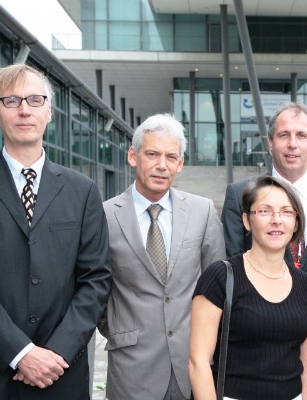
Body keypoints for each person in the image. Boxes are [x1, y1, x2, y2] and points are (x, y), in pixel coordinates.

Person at [0, 64, 111, 398]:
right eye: (11, 101)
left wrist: (56, 352)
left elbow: (96, 279)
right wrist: (20, 352)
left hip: (60, 372)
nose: (24, 110)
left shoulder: (82, 190)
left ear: (49, 112)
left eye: (34, 100)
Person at [221, 101, 307, 400]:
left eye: (301, 135)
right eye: (284, 135)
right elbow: (233, 265)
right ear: (270, 142)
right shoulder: (240, 195)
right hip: (255, 349)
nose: (292, 143)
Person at [99, 113, 226, 400]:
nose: (161, 165)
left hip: (192, 364)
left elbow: (217, 286)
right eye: (152, 154)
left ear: (180, 164)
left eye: (171, 157)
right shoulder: (104, 215)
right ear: (133, 156)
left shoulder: (202, 211)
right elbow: (95, 289)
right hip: (132, 368)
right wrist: (119, 330)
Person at [189, 175, 307, 400]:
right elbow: (198, 363)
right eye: (264, 211)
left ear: (296, 222)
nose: (276, 220)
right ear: (246, 220)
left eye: (286, 212)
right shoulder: (220, 277)